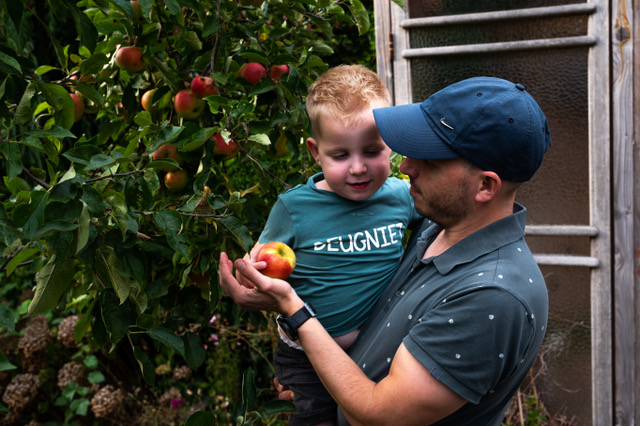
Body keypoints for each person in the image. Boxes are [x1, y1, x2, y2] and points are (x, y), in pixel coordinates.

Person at [220, 76, 551, 425]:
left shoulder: (493, 296)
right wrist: (319, 386)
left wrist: (294, 309)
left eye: (431, 159)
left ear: (486, 185)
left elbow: (378, 414)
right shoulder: (434, 226)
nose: (406, 167)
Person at [253, 64, 422, 425]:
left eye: (372, 151)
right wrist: (250, 278)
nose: (358, 168)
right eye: (341, 155)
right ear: (316, 152)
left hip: (380, 349)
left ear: (389, 145)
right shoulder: (295, 208)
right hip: (307, 357)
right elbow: (262, 264)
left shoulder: (400, 197)